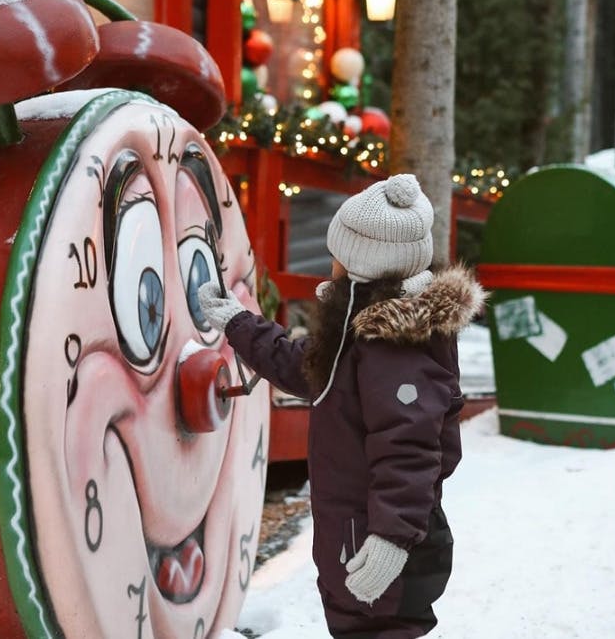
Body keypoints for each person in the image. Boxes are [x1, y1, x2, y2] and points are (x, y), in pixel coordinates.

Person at [198, 173, 486, 639]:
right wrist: (238, 323)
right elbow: (302, 365)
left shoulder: (396, 348)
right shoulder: (359, 329)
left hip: (385, 545)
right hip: (357, 532)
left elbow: (409, 451)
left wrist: (392, 540)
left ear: (361, 266)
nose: (330, 262)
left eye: (338, 254)